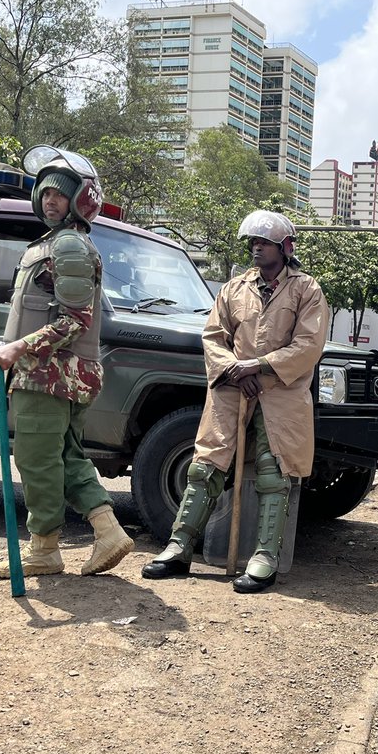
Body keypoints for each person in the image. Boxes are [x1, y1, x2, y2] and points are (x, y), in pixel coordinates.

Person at [142, 210, 327, 593]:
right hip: (231, 390)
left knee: (274, 471)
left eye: (264, 242)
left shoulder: (307, 290)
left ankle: (265, 558)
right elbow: (213, 336)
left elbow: (309, 345)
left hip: (281, 394)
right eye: (253, 242)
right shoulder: (233, 288)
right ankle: (179, 547)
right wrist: (234, 370)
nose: (256, 248)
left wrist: (257, 367)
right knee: (206, 466)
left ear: (285, 247)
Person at [0, 146, 133, 579]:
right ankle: (107, 532)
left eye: (60, 195)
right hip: (49, 374)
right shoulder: (53, 243)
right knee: (65, 457)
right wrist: (10, 343)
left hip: (51, 376)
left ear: (80, 199)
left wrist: (17, 349)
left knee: (36, 461)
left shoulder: (67, 244)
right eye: (45, 193)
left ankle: (44, 551)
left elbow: (75, 320)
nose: (50, 200)